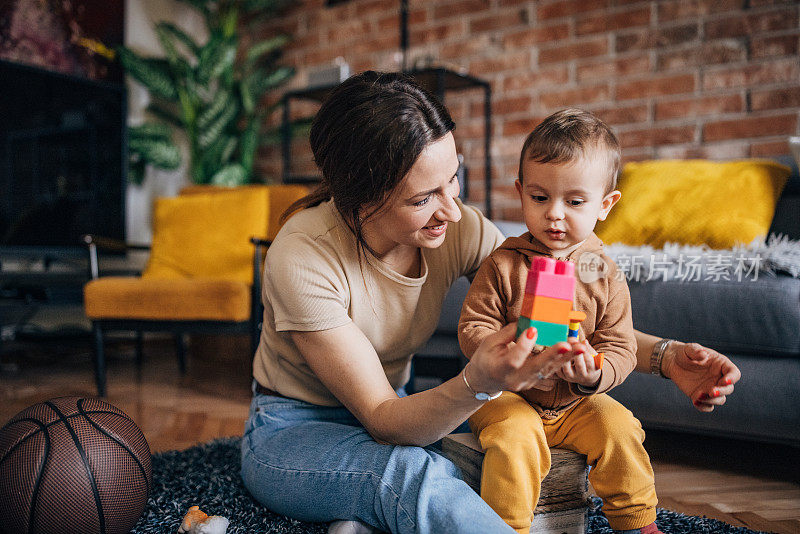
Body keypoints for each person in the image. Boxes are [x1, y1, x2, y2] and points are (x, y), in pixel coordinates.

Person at [240, 72, 741, 534]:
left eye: (452, 180)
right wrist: (479, 382)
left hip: (404, 405)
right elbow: (382, 418)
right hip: (296, 428)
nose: (452, 210)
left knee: (483, 459)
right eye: (422, 199)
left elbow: (557, 318)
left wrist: (667, 357)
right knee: (414, 476)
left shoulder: (457, 228)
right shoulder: (302, 257)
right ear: (359, 198)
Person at [459, 109, 660, 534]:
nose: (554, 214)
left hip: (577, 402)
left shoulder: (605, 273)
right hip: (506, 397)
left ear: (605, 205)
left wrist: (594, 373)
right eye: (539, 197)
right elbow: (472, 326)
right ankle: (507, 526)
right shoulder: (503, 264)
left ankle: (638, 523)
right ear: (520, 193)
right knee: (515, 437)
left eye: (574, 201)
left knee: (621, 427)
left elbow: (621, 347)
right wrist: (508, 356)